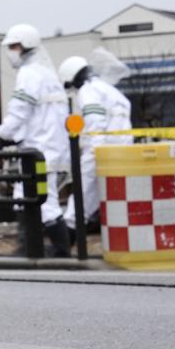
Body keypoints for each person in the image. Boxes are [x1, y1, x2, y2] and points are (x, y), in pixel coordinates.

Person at [0, 24, 71, 257]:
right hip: (50, 147)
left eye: (14, 46)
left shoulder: (29, 74)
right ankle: (32, 248)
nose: (10, 52)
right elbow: (37, 116)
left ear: (26, 47)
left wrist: (1, 136)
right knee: (29, 197)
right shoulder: (47, 74)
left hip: (39, 149)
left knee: (42, 201)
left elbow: (20, 110)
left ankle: (53, 250)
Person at [58, 54, 133, 231]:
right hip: (123, 150)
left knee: (83, 189)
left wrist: (91, 151)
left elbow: (94, 122)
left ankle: (69, 231)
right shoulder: (110, 91)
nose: (73, 90)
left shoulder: (88, 90)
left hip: (101, 148)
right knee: (110, 193)